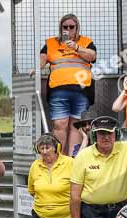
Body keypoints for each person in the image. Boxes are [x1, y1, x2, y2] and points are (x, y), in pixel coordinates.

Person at [37, 14, 97, 154]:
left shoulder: (86, 42)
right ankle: (58, 159)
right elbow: (42, 59)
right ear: (60, 28)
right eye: (65, 27)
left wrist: (76, 47)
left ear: (77, 28)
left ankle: (73, 160)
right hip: (58, 90)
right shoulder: (51, 43)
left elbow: (92, 56)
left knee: (76, 125)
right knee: (60, 124)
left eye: (71, 27)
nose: (68, 30)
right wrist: (36, 68)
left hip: (81, 90)